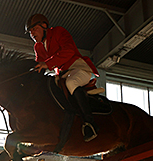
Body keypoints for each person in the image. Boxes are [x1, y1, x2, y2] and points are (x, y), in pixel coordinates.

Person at [26, 14, 100, 142]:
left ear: (44, 26)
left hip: (79, 68)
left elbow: (69, 51)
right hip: (62, 74)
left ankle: (90, 124)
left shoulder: (58, 32)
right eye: (29, 32)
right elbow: (40, 65)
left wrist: (47, 64)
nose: (32, 33)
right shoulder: (37, 47)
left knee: (72, 82)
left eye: (33, 29)